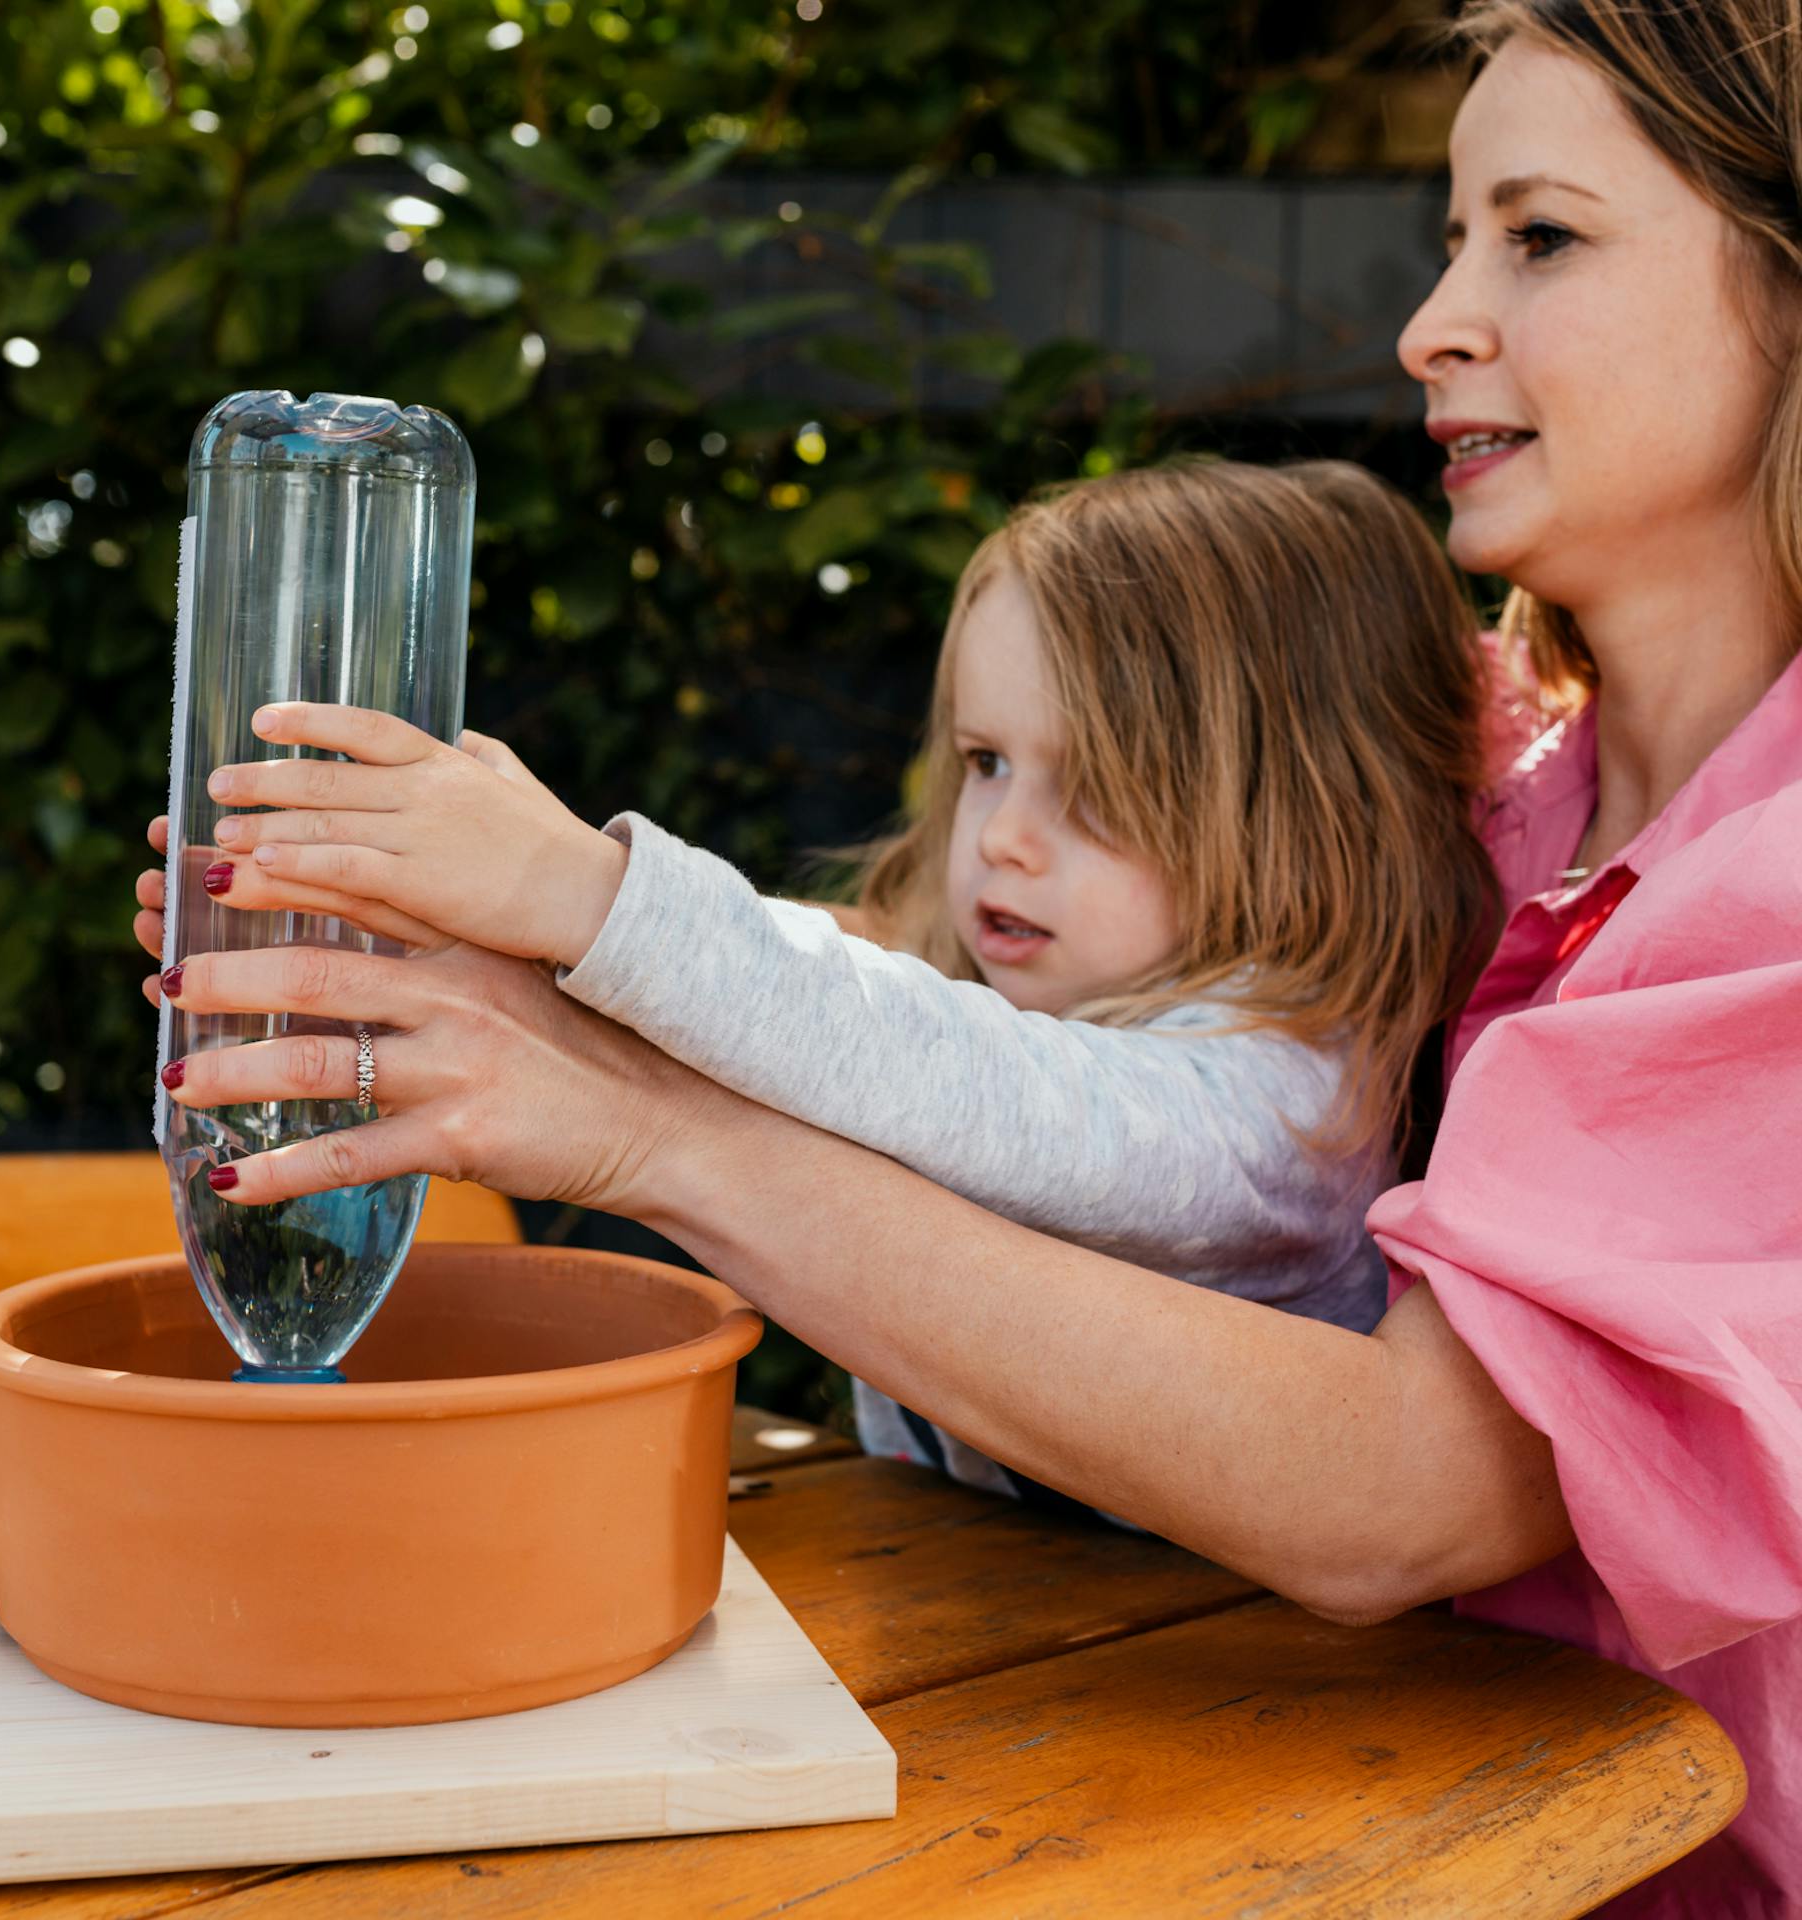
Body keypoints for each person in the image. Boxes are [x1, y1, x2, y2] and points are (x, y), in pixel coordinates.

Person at [133, 3, 1802, 1906]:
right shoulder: (1485, 791)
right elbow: (942, 1011)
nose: (1429, 324)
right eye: (1451, 238)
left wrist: (621, 1027)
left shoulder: (1756, 890)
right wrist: (493, 969)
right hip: (1245, 1788)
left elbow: (1398, 1490)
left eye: (1544, 235)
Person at [156, 457, 1499, 1510]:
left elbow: (973, 1088)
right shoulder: (987, 988)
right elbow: (826, 998)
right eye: (985, 762)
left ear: (1300, 816)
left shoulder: (1290, 1103)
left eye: (1099, 788)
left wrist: (583, 896)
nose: (1006, 837)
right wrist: (441, 943)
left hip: (1261, 1743)